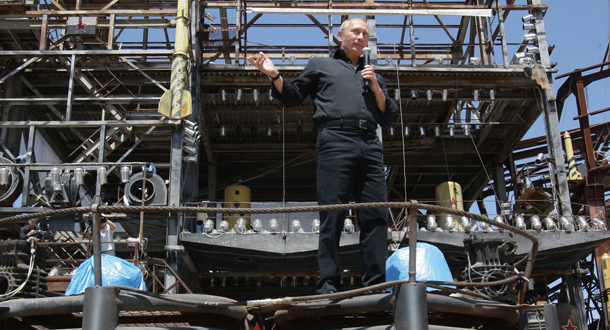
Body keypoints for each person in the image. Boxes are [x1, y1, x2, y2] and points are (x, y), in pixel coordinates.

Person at [247, 17, 398, 294]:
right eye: (355, 31)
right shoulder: (320, 65)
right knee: (332, 215)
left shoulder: (374, 74)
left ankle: (375, 286)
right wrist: (274, 74)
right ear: (340, 35)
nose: (360, 37)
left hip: (370, 143)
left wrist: (376, 87)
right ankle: (328, 284)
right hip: (335, 140)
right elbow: (292, 96)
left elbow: (389, 117)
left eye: (365, 33)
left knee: (375, 216)